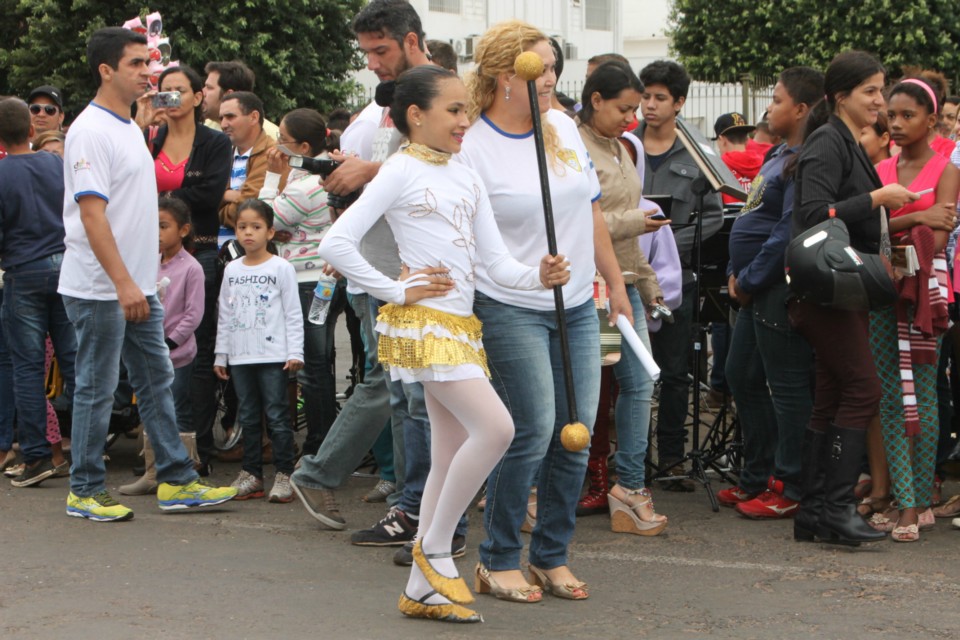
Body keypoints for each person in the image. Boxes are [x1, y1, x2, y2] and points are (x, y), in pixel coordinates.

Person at [320, 63, 570, 624]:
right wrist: (395, 290)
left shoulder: (466, 174)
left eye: (466, 110)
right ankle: (434, 548)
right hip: (425, 326)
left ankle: (419, 589)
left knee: (449, 453)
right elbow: (337, 241)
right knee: (499, 428)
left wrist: (540, 276)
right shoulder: (399, 169)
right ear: (417, 115)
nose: (466, 119)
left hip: (459, 326)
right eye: (454, 110)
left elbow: (496, 264)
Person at [458, 19, 632, 603]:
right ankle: (498, 557)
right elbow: (476, 242)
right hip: (508, 305)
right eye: (541, 69)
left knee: (576, 433)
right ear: (507, 75)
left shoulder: (560, 125)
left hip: (578, 304)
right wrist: (529, 273)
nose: (553, 80)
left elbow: (589, 212)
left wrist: (615, 282)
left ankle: (551, 555)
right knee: (530, 429)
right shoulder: (473, 144)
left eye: (556, 67)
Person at [58, 27, 236, 521]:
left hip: (136, 285)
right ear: (106, 70)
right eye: (137, 64)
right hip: (103, 288)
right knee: (96, 387)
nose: (148, 73)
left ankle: (177, 480)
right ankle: (85, 489)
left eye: (148, 63)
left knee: (157, 380)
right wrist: (121, 285)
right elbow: (92, 216)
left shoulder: (126, 126)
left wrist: (137, 284)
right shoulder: (89, 130)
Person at [789, 50, 917, 545]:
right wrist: (877, 199)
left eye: (881, 90)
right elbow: (812, 214)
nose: (880, 101)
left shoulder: (843, 140)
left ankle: (816, 512)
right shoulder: (828, 141)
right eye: (870, 91)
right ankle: (837, 509)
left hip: (841, 290)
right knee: (864, 388)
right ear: (840, 96)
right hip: (826, 289)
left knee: (833, 395)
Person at [719, 67, 824, 519]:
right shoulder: (777, 154)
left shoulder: (805, 161)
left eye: (777, 100)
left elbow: (785, 231)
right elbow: (749, 216)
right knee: (740, 375)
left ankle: (790, 483)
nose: (768, 108)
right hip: (750, 285)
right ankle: (756, 476)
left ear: (800, 109)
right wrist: (733, 271)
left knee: (786, 387)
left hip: (774, 287)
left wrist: (749, 279)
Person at [575, 60, 670, 535]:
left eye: (635, 110)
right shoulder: (573, 147)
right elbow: (577, 225)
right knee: (584, 395)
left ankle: (627, 487)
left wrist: (646, 282)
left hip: (621, 281)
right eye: (623, 108)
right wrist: (636, 227)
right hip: (589, 285)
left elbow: (630, 220)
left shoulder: (618, 147)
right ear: (595, 100)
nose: (632, 118)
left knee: (635, 386)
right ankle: (615, 488)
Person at [866, 78, 960, 541]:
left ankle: (920, 501)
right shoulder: (881, 168)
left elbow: (938, 241)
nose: (896, 123)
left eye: (908, 115)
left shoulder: (947, 168)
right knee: (888, 394)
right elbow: (870, 230)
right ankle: (905, 501)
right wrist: (918, 216)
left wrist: (893, 220)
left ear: (931, 119)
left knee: (923, 393)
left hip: (926, 295)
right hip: (882, 289)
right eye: (892, 114)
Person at [636, 60, 724, 487]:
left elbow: (715, 217)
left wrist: (667, 249)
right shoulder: (623, 146)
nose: (649, 106)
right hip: (620, 278)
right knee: (619, 370)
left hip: (675, 280)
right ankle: (625, 460)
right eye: (645, 96)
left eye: (659, 98)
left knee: (674, 372)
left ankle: (670, 459)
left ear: (680, 103)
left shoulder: (699, 153)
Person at [140, 64, 232, 473]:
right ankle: (157, 449)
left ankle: (198, 450)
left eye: (180, 90)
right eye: (165, 90)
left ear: (198, 97)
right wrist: (142, 127)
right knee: (149, 347)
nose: (171, 97)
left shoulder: (214, 141)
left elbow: (210, 193)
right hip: (149, 256)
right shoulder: (149, 137)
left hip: (202, 254)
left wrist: (159, 196)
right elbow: (129, 183)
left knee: (195, 351)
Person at [0, 97, 77, 487]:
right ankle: (85, 451)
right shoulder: (53, 163)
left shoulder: (1, 174)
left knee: (27, 368)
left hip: (22, 272)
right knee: (75, 361)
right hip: (65, 268)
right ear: (32, 131)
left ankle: (36, 456)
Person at [259, 108, 340, 456]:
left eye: (283, 140)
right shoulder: (313, 176)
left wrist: (269, 178)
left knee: (312, 366)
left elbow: (259, 220)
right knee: (319, 362)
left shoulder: (307, 184)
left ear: (304, 147)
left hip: (311, 283)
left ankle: (319, 444)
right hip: (320, 279)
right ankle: (324, 441)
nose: (277, 147)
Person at [215, 199, 304, 502]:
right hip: (241, 356)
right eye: (242, 227)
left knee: (278, 416)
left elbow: (293, 313)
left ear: (270, 232)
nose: (248, 233)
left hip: (273, 357)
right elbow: (225, 315)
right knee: (248, 417)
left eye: (256, 227)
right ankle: (252, 474)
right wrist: (221, 354)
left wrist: (296, 353)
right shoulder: (231, 269)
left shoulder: (281, 267)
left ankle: (284, 474)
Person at [120, 196, 205, 495]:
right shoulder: (147, 263)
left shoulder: (192, 268)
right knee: (150, 406)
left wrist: (168, 343)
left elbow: (193, 314)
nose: (156, 232)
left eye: (163, 226)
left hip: (177, 353)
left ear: (183, 230)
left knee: (176, 410)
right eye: (153, 225)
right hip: (149, 350)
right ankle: (153, 473)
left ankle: (183, 471)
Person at [218, 91, 279, 231]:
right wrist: (226, 195)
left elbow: (253, 211)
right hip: (219, 250)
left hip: (254, 251)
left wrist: (218, 208)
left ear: (253, 117)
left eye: (230, 117)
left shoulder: (272, 153)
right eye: (221, 118)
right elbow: (204, 198)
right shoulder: (221, 153)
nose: (223, 124)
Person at [202, 60, 280, 139]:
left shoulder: (272, 137)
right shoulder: (204, 127)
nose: (202, 92)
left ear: (229, 95)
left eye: (209, 88)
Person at [712, 112, 764, 204]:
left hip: (729, 218)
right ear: (747, 140)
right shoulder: (765, 163)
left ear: (721, 139)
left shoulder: (717, 167)